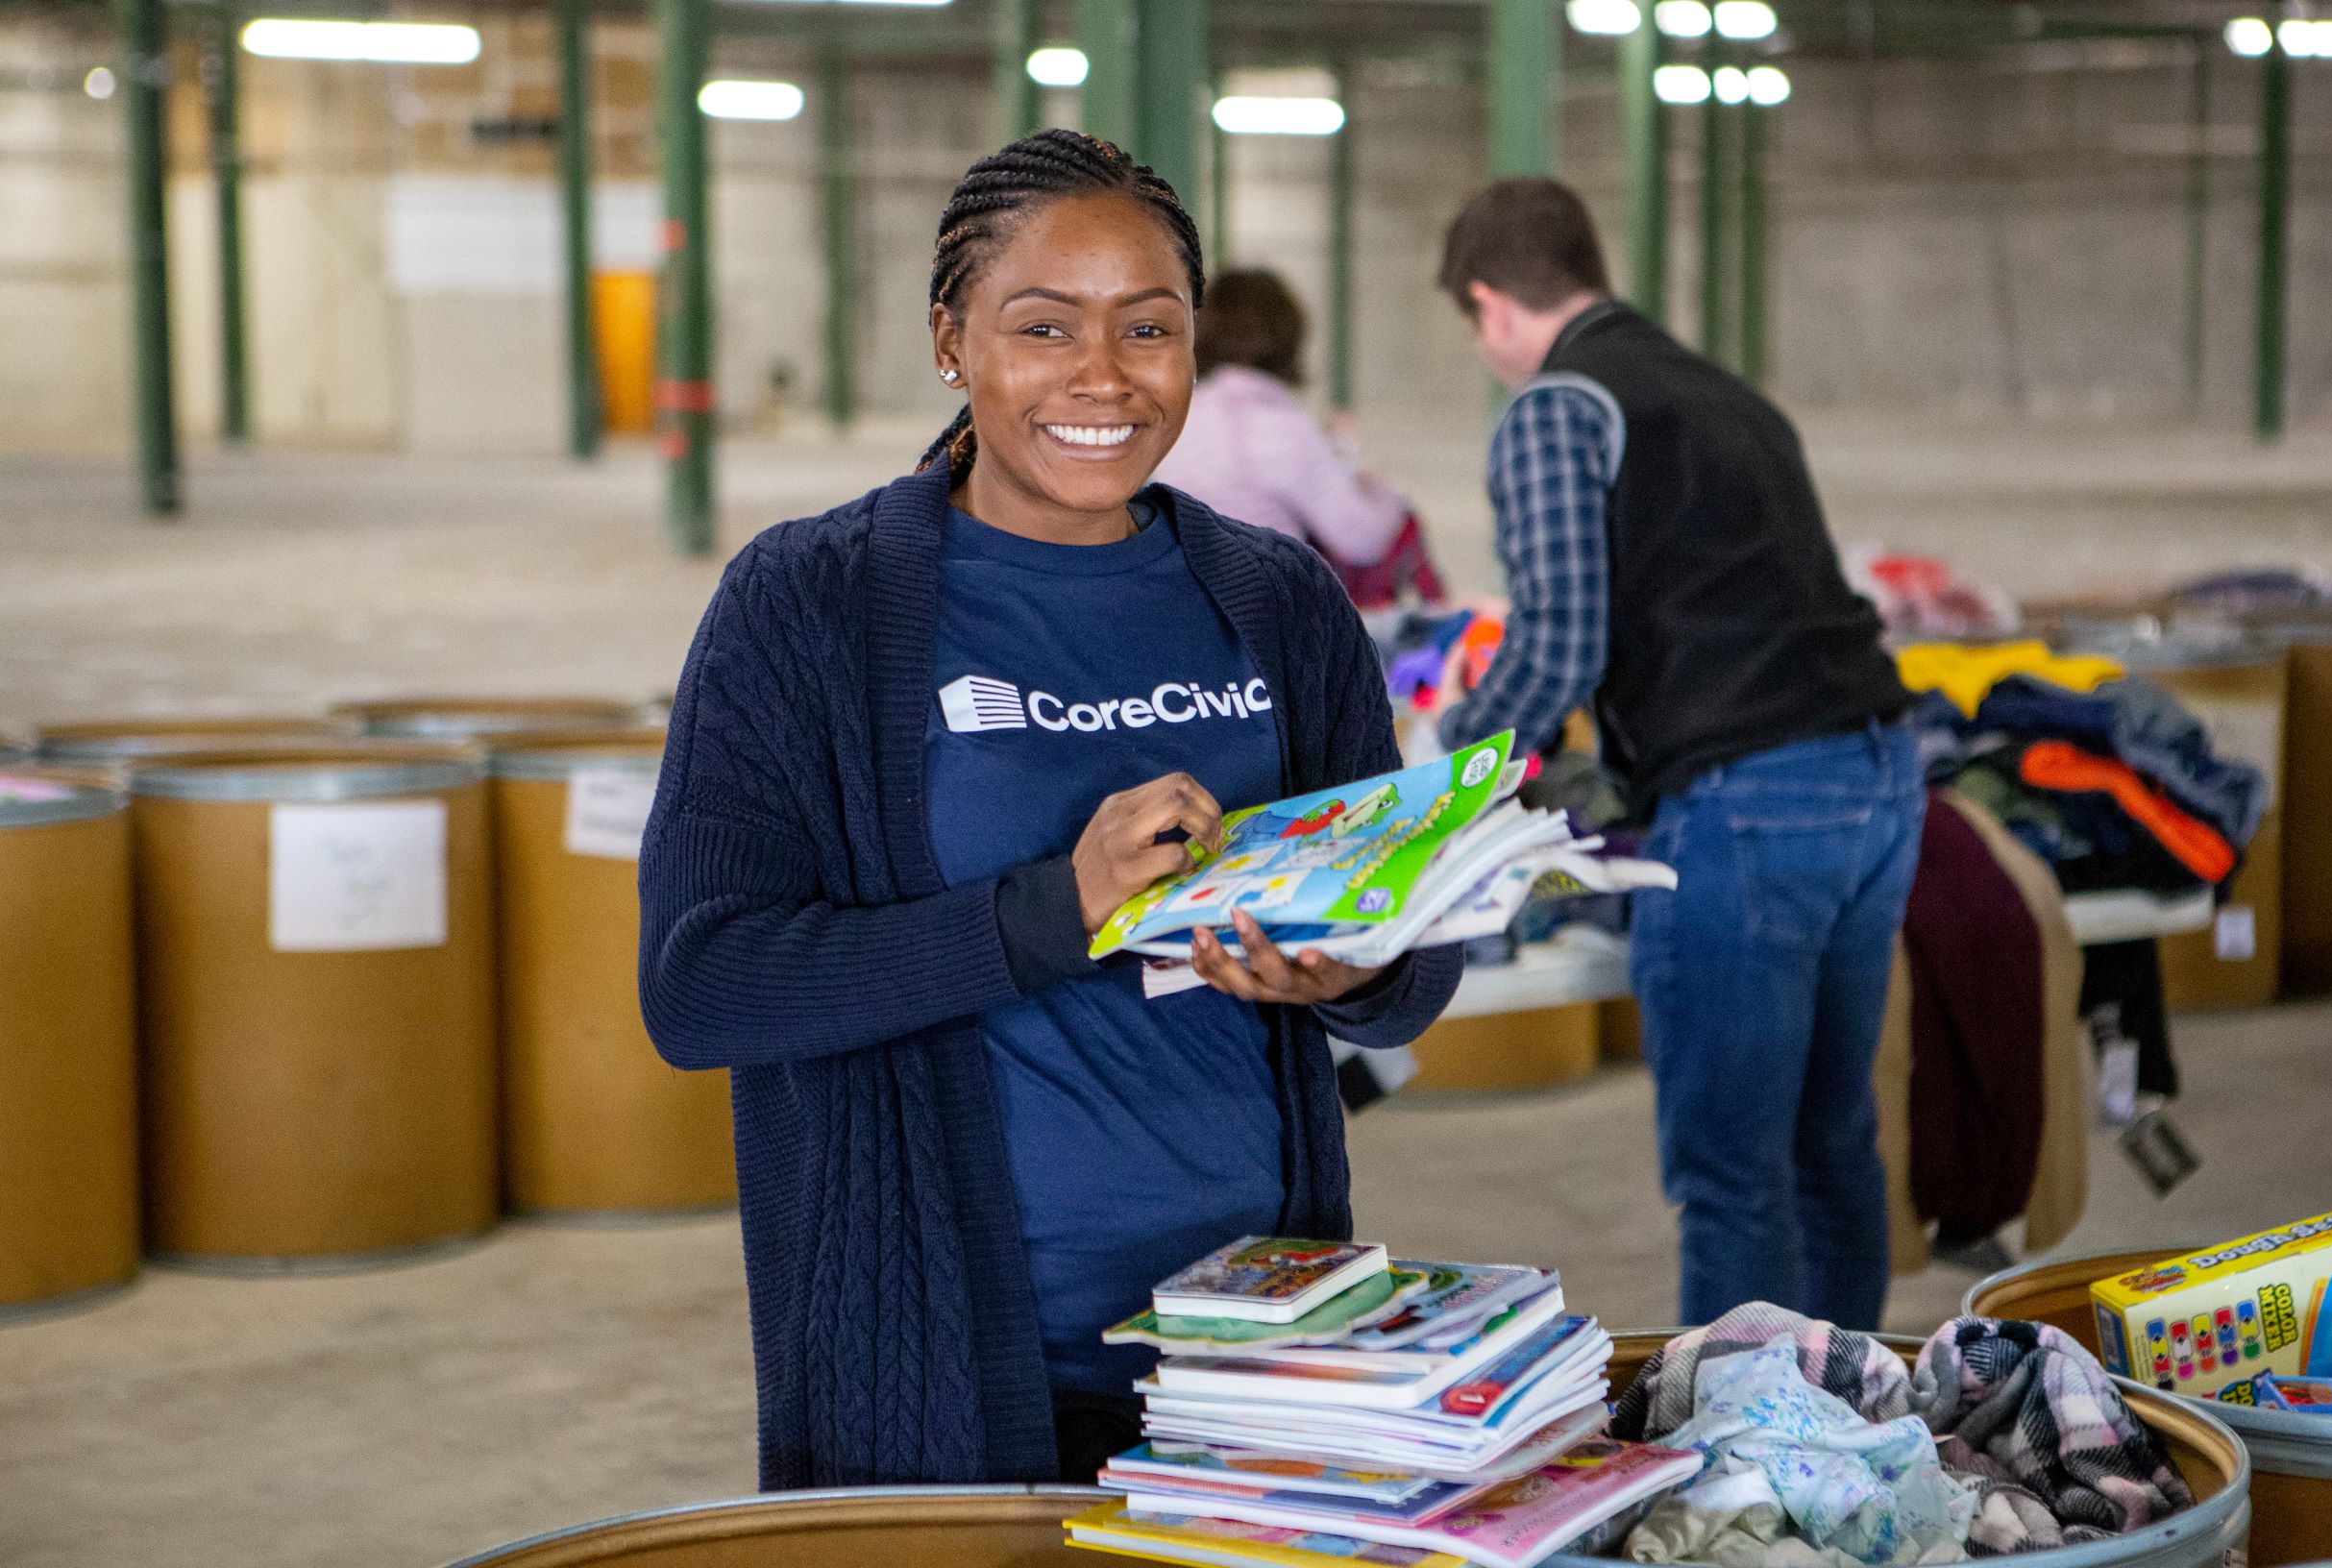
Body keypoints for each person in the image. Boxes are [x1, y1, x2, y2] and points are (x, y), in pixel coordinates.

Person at [636, 130, 1462, 1492]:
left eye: (1150, 327)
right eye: (1043, 326)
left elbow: (1407, 951)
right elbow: (700, 989)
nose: (1103, 376)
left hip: (1261, 1357)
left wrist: (1362, 966)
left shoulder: (1277, 599)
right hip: (944, 1357)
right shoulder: (808, 606)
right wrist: (1052, 909)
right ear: (951, 342)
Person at [1430, 178, 1923, 1332]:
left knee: (1731, 1173)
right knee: (1829, 1140)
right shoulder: (1723, 394)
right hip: (1879, 775)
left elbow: (1553, 647)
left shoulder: (1556, 407)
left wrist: (1437, 765)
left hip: (1751, 802)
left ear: (1492, 304)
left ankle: (1747, 1459)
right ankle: (1852, 1414)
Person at [1155, 268, 1442, 607]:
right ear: (1288, 338)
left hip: (1179, 608)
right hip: (1263, 618)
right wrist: (1376, 483)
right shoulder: (1280, 426)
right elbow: (1361, 539)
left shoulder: (1175, 418)